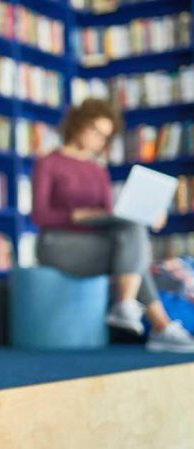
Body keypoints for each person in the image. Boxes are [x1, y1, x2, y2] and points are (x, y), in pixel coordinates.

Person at [32, 98, 194, 353]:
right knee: (134, 254)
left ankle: (129, 306)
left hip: (95, 243)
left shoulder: (98, 169)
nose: (98, 140)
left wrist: (147, 215)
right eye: (95, 131)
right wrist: (78, 215)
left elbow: (111, 216)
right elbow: (39, 216)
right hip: (56, 243)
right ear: (78, 123)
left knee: (133, 229)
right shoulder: (49, 162)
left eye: (104, 136)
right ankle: (159, 327)